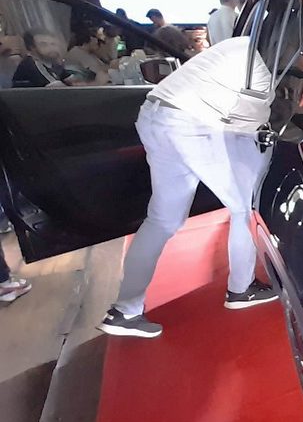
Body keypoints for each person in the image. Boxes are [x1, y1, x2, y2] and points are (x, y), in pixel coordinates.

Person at [98, 36, 278, 338]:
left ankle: (124, 311)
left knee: (161, 220)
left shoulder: (239, 44)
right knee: (244, 208)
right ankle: (241, 289)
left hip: (155, 115)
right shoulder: (258, 72)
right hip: (192, 124)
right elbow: (249, 128)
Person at [12, 29, 78, 88]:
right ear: (32, 48)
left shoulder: (52, 63)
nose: (51, 48)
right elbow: (57, 88)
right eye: (44, 45)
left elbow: (75, 82)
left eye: (53, 44)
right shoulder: (31, 63)